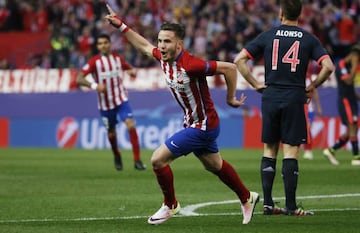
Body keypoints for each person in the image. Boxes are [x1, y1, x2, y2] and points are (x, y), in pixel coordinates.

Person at [105, 4, 259, 225]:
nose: (161, 46)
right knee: (214, 165)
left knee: (157, 160)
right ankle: (247, 197)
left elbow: (230, 68)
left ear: (179, 44)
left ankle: (170, 205)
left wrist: (230, 98)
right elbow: (144, 46)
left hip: (203, 125)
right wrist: (120, 25)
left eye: (167, 41)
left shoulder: (191, 64)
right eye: (160, 40)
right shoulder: (163, 58)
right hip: (193, 122)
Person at [234, 0, 334, 216]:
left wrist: (255, 83)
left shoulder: (269, 35)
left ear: (281, 13)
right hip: (295, 95)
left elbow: (240, 59)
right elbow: (328, 66)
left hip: (270, 95)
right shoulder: (308, 38)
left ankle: (268, 204)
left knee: (269, 149)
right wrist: (313, 85)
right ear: (300, 14)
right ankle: (291, 206)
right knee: (291, 150)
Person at [76, 33, 146, 171]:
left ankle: (137, 160)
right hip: (105, 105)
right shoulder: (94, 62)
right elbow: (79, 78)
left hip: (121, 100)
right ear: (97, 46)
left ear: (110, 44)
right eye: (100, 43)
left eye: (105, 43)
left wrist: (132, 71)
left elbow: (129, 68)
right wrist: (95, 86)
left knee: (131, 125)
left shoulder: (118, 59)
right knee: (111, 133)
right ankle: (116, 155)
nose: (103, 45)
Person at [323, 45, 360, 166]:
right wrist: (355, 65)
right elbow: (348, 81)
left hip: (350, 100)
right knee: (353, 127)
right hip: (346, 102)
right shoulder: (342, 65)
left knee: (350, 131)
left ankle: (330, 150)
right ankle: (356, 157)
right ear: (354, 56)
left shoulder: (347, 66)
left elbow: (350, 87)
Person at [303, 64, 323, 160]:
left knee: (307, 129)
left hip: (308, 108)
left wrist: (318, 106)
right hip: (297, 107)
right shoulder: (296, 77)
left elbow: (313, 92)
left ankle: (308, 150)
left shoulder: (308, 78)